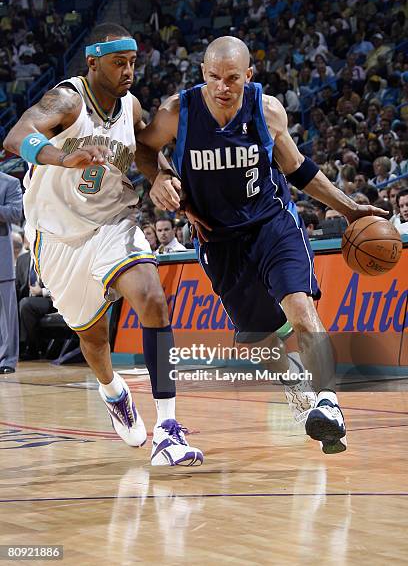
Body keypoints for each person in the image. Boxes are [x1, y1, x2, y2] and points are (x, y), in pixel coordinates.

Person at [137, 36, 388, 455]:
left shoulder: (266, 110)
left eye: (233, 78)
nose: (223, 86)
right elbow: (145, 147)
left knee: (301, 308)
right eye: (214, 77)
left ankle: (329, 402)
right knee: (260, 338)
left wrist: (348, 209)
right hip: (218, 240)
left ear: (248, 76)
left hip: (272, 224)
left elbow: (297, 168)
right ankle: (297, 389)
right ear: (203, 74)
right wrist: (160, 176)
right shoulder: (178, 112)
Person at [4, 23, 202, 467]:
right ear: (92, 63)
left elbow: (147, 150)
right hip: (57, 236)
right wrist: (60, 155)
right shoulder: (68, 99)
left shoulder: (131, 108)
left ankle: (168, 430)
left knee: (152, 297)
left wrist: (161, 177)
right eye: (119, 63)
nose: (128, 71)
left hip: (113, 220)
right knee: (92, 338)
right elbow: (18, 135)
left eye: (132, 62)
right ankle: (113, 391)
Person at [15, 242, 56, 360]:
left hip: (49, 300)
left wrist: (41, 291)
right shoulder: (22, 259)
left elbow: (60, 287)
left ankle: (28, 347)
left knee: (25, 305)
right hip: (27, 300)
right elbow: (17, 286)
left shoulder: (50, 257)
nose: (27, 240)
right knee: (16, 305)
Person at [0, 172, 22, 374]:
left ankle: (7, 360)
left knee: (6, 315)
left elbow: (16, 212)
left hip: (2, 258)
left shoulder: (10, 183)